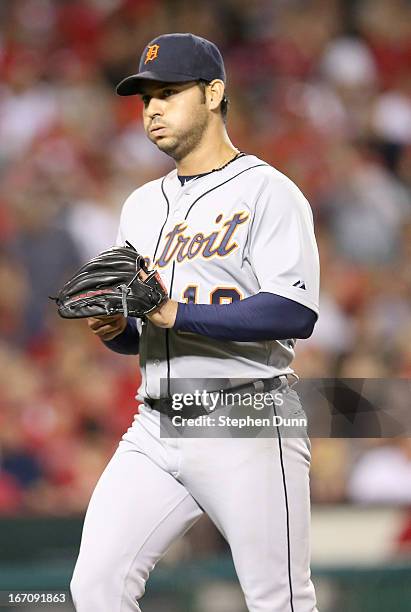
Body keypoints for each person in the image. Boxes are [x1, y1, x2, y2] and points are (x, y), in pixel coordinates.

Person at [70, 33, 320, 612]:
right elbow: (146, 329)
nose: (153, 109)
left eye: (169, 92)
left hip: (248, 418)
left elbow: (295, 310)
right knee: (96, 586)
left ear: (213, 94)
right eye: (145, 98)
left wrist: (173, 311)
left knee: (279, 600)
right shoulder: (140, 204)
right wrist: (119, 332)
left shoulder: (269, 191)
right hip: (155, 424)